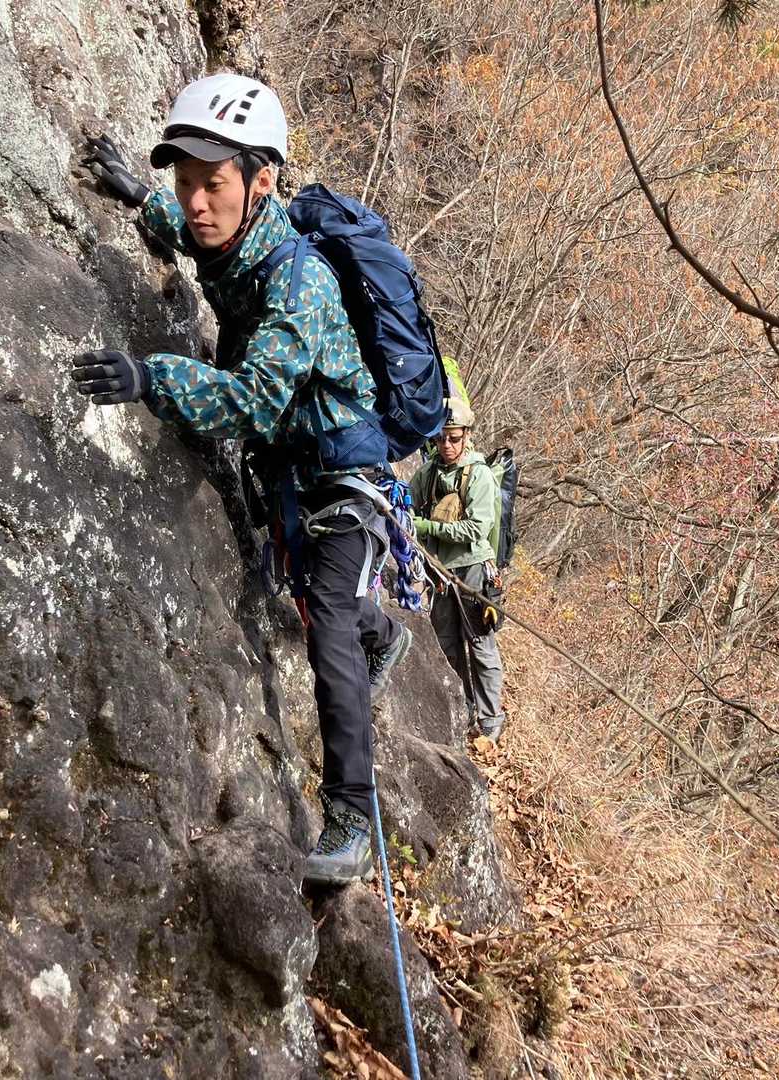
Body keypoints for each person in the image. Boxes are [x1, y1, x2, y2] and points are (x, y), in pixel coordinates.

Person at [73, 73, 413, 885]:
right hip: (294, 470)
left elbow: (254, 401)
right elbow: (194, 235)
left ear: (262, 183)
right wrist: (139, 198)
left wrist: (151, 377)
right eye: (184, 182)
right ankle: (384, 633)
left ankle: (349, 821)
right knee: (324, 596)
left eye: (213, 183)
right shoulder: (231, 236)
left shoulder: (299, 279)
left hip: (346, 477)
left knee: (325, 622)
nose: (196, 202)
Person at [409, 398, 508, 743]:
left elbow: (477, 529)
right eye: (440, 438)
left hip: (474, 570)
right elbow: (408, 506)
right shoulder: (426, 474)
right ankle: (462, 711)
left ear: (466, 436)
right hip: (440, 573)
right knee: (447, 645)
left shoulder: (479, 475)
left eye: (453, 438)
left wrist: (427, 528)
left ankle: (491, 720)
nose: (446, 445)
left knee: (480, 645)